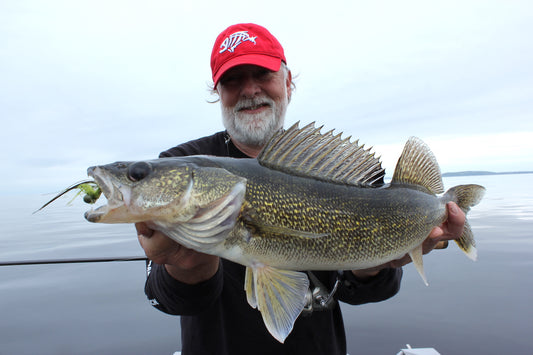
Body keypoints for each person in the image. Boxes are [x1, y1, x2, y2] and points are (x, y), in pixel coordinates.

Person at [135, 23, 465, 355]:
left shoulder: (332, 169)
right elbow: (166, 298)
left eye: (262, 74)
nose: (250, 89)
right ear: (217, 92)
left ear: (288, 83)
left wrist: (373, 265)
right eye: (233, 80)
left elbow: (367, 292)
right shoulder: (179, 162)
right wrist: (185, 264)